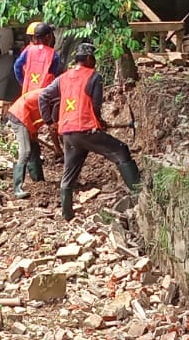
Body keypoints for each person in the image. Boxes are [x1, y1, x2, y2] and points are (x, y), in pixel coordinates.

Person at [38, 42, 140, 220]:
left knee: (69, 173)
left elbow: (43, 96)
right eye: (93, 57)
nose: (95, 61)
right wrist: (99, 122)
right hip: (86, 130)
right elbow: (96, 105)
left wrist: (49, 121)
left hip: (68, 133)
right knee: (121, 151)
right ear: (88, 58)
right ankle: (139, 195)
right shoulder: (94, 77)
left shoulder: (63, 77)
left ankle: (67, 215)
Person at [5, 86, 47, 197]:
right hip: (19, 117)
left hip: (27, 118)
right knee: (26, 151)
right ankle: (17, 188)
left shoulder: (52, 96)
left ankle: (39, 180)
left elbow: (38, 115)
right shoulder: (50, 97)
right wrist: (58, 149)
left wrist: (33, 132)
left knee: (34, 147)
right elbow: (53, 127)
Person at [13, 22, 62, 94]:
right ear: (48, 37)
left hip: (28, 92)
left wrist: (23, 82)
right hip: (43, 94)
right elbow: (53, 74)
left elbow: (17, 66)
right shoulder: (54, 55)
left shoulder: (28, 50)